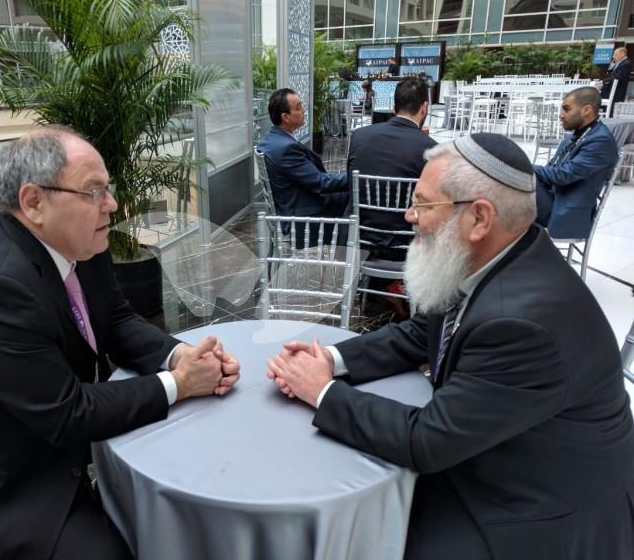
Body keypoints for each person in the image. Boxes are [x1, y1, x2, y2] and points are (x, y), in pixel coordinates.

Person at [267, 133, 634, 560]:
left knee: (366, 538)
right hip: (494, 456)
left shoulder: (524, 323)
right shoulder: (495, 257)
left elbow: (428, 441)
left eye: (423, 203)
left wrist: (321, 391)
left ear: (479, 218)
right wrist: (330, 359)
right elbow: (420, 334)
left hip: (537, 511)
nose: (409, 215)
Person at [0, 126, 241, 560]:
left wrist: (178, 354)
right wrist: (181, 384)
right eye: (94, 192)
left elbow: (117, 318)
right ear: (34, 202)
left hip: (42, 439)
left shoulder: (79, 241)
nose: (111, 204)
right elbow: (69, 413)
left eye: (108, 189)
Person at [347, 76, 436, 261]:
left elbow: (350, 184)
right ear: (424, 108)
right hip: (406, 244)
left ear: (393, 108)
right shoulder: (432, 149)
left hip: (360, 238)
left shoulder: (359, 136)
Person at [257, 88, 348, 238]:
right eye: (298, 108)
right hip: (301, 218)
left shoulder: (270, 140)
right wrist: (354, 177)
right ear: (285, 117)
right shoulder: (287, 148)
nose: (304, 110)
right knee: (357, 197)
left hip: (290, 205)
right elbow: (321, 183)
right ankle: (357, 250)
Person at [534, 86, 619, 239]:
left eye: (566, 109)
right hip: (552, 198)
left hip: (563, 212)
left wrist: (523, 165)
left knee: (512, 181)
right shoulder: (575, 136)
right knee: (510, 183)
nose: (561, 115)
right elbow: (551, 170)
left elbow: (563, 176)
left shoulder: (600, 140)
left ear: (586, 110)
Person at [602, 46, 631, 113]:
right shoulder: (618, 63)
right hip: (610, 90)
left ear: (622, 54)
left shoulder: (626, 63)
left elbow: (618, 77)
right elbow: (610, 74)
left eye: (615, 54)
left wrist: (603, 81)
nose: (613, 56)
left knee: (611, 110)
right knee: (607, 109)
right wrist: (611, 66)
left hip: (617, 91)